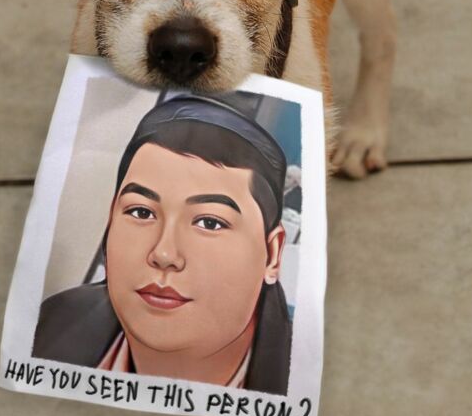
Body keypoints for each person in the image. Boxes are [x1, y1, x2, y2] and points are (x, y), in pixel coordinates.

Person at [32, 95, 293, 394]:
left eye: (210, 223)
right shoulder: (55, 320)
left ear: (272, 255)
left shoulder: (296, 377)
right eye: (141, 212)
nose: (164, 253)